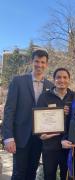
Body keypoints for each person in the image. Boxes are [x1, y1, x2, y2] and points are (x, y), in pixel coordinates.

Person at [2, 49, 53, 180]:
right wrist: (8, 137)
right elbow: (9, 110)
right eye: (37, 61)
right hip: (20, 138)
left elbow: (52, 112)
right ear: (32, 61)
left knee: (31, 173)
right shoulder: (18, 81)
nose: (39, 65)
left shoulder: (50, 86)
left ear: (46, 64)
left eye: (43, 62)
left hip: (39, 139)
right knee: (19, 173)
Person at [37, 68, 75, 180]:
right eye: (58, 77)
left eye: (65, 77)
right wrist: (40, 134)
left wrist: (70, 113)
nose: (61, 80)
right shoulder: (44, 97)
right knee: (49, 175)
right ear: (54, 79)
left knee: (67, 176)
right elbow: (38, 119)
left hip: (68, 146)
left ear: (69, 80)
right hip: (50, 146)